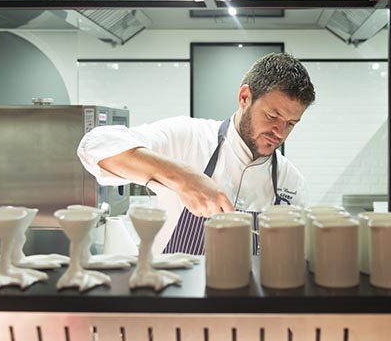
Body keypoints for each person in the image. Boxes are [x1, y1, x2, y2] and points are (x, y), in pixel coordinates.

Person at [77, 52, 316, 255]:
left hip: (248, 304)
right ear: (245, 97)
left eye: (291, 123)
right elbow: (95, 145)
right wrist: (184, 178)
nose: (280, 132)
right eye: (272, 117)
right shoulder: (188, 137)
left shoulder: (290, 181)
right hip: (176, 300)